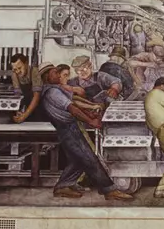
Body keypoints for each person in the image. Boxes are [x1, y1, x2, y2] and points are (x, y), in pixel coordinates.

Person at [45, 65, 133, 200]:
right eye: (54, 73)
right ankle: (109, 189)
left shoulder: (57, 89)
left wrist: (91, 108)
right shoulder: (53, 92)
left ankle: (63, 185)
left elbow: (76, 100)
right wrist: (90, 120)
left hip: (71, 125)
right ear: (46, 77)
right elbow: (72, 108)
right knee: (89, 158)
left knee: (77, 159)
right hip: (67, 127)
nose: (58, 75)